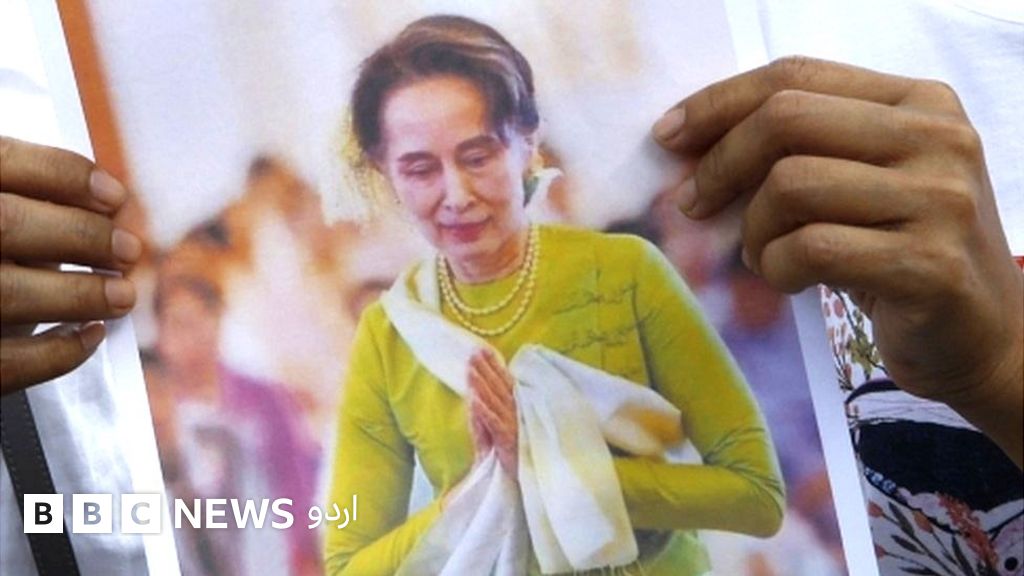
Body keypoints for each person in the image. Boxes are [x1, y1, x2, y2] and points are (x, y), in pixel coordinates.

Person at [322, 15, 783, 575]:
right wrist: (473, 496)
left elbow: (756, 495)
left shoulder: (624, 272)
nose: (456, 195)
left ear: (528, 143)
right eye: (420, 170)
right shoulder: (392, 332)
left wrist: (552, 465)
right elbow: (348, 567)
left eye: (477, 157)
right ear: (385, 174)